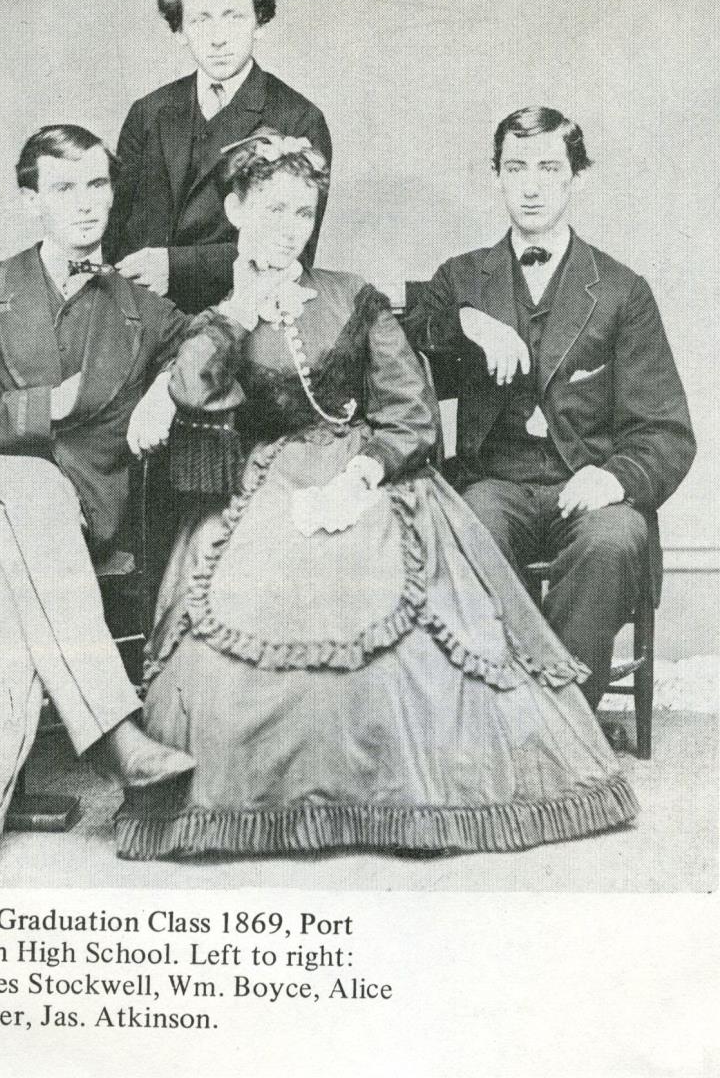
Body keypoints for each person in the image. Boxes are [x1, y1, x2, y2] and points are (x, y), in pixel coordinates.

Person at [114, 131, 638, 862]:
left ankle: (399, 804)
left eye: (303, 212)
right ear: (235, 210)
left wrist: (364, 472)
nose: (289, 228)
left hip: (370, 474)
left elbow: (411, 413)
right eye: (273, 210)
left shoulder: (351, 296)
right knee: (246, 605)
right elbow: (194, 390)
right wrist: (239, 311)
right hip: (264, 486)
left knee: (393, 611)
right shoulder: (216, 314)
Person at [0, 125, 197, 886]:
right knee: (32, 490)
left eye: (97, 184)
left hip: (67, 528)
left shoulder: (140, 309)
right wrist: (43, 406)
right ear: (31, 202)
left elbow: (209, 344)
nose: (86, 203)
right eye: (64, 187)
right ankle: (114, 729)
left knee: (12, 574)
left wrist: (165, 388)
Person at [405, 107, 695, 715]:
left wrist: (614, 478)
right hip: (495, 483)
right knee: (469, 524)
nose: (531, 186)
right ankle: (502, 713)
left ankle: (563, 720)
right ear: (496, 176)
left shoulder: (621, 289)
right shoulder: (461, 278)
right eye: (515, 168)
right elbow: (398, 338)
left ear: (575, 178)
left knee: (615, 537)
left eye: (548, 168)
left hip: (585, 486)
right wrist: (466, 321)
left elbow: (667, 431)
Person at [104, 0, 332, 316]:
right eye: (200, 20)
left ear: (260, 23)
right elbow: (115, 232)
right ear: (179, 31)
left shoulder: (298, 118)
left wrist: (178, 269)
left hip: (240, 318)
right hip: (142, 318)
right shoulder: (148, 112)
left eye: (234, 17)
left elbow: (294, 251)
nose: (218, 38)